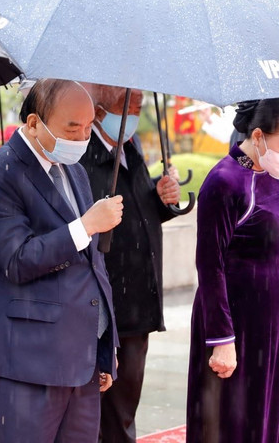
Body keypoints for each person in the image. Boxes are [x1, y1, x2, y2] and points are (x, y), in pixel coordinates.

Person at [0, 78, 121, 443]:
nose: (82, 137)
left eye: (88, 127)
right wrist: (84, 226)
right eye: (72, 127)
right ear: (34, 122)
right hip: (27, 361)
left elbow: (93, 266)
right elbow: (17, 259)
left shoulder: (75, 171)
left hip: (80, 358)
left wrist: (104, 344)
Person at [186, 98, 279, 443]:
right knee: (227, 423)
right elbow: (210, 263)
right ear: (257, 135)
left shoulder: (276, 179)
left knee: (262, 420)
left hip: (273, 321)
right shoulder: (225, 181)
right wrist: (221, 339)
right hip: (233, 320)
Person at [78, 84, 179, 443]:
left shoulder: (130, 151)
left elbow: (141, 212)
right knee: (102, 400)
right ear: (102, 112)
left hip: (140, 298)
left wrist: (162, 198)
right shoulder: (83, 158)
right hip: (108, 301)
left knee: (128, 396)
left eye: (138, 106)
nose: (134, 115)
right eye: (129, 107)